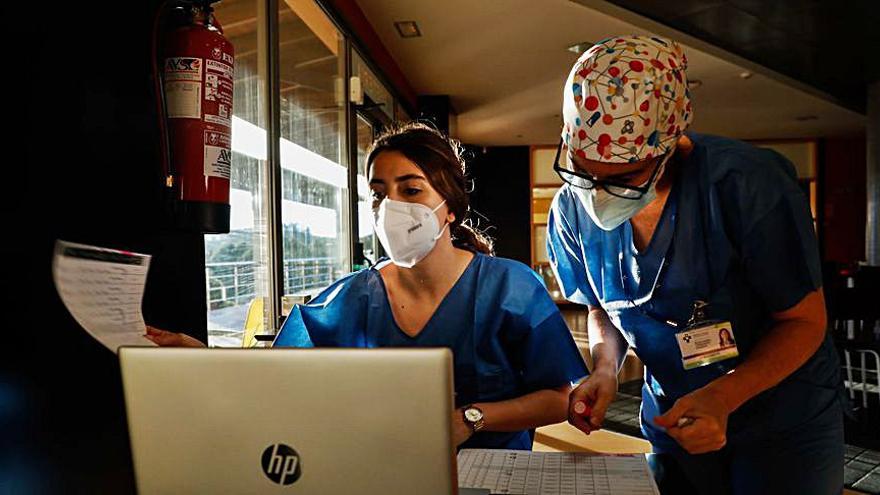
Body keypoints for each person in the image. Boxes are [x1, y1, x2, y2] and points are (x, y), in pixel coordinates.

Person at [148, 122, 588, 450]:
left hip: (497, 476)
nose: (390, 207)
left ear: (449, 207)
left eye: (411, 190)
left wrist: (470, 418)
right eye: (379, 193)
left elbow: (558, 398)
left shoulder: (510, 288)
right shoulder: (352, 298)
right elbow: (278, 377)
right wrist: (202, 357)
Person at [548, 35, 844, 494]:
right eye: (582, 170)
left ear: (670, 144)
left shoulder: (744, 186)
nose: (597, 194)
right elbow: (602, 309)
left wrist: (724, 395)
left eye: (624, 177)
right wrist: (605, 367)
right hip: (674, 414)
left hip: (783, 417)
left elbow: (805, 321)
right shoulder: (571, 210)